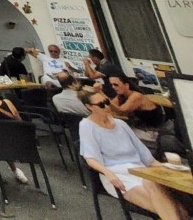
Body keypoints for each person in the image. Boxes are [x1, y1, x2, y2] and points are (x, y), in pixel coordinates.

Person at [79, 91, 190, 220]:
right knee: (178, 211)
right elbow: (90, 158)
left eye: (107, 102)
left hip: (140, 171)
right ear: (89, 107)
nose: (107, 106)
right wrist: (108, 173)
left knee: (164, 195)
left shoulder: (121, 124)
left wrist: (165, 167)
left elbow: (145, 154)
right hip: (117, 175)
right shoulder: (86, 125)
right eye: (101, 104)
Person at [109, 76, 165, 141]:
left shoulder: (136, 96)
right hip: (138, 127)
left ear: (126, 85)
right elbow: (110, 107)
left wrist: (102, 94)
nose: (113, 87)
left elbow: (121, 111)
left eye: (116, 85)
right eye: (112, 85)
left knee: (116, 134)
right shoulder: (121, 96)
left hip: (151, 130)